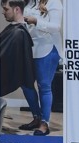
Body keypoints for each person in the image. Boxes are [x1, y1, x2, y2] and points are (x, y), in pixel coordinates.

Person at [19, 0, 63, 136]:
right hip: (30, 48)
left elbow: (56, 27)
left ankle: (45, 123)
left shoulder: (54, 3)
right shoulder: (29, 2)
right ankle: (36, 117)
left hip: (48, 48)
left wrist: (36, 21)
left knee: (44, 86)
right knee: (25, 84)